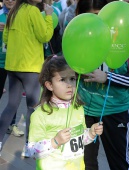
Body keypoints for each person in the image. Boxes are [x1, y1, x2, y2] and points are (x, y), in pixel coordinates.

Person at [76, 0, 129, 169]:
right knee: (84, 163)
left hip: (115, 111)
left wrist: (108, 77)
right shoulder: (80, 29)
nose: (95, 23)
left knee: (118, 164)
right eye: (90, 17)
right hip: (83, 110)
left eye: (99, 16)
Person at [27, 55, 103, 170]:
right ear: (49, 85)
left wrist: (91, 133)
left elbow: (80, 139)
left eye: (72, 79)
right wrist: (55, 142)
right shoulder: (40, 115)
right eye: (62, 79)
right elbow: (32, 151)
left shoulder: (78, 108)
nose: (69, 85)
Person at [0, 0, 54, 157]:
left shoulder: (13, 12)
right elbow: (45, 36)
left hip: (13, 67)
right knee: (32, 108)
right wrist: (49, 17)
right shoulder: (33, 11)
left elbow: (6, 39)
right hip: (30, 68)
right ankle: (29, 147)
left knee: (11, 106)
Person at [0, 0, 24, 137]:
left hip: (15, 63)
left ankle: (11, 123)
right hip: (0, 62)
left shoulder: (20, 16)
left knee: (14, 98)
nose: (10, 0)